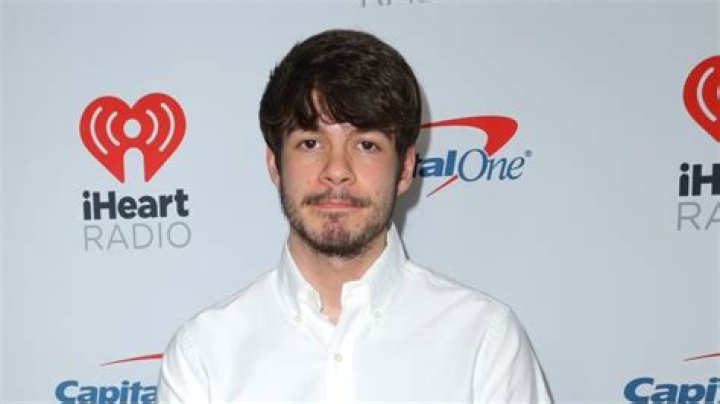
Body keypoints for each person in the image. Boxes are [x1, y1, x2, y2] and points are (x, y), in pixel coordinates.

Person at [157, 29, 552, 403]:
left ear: (405, 168)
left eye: (366, 145)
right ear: (275, 164)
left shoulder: (483, 342)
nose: (336, 170)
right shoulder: (204, 355)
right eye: (310, 143)